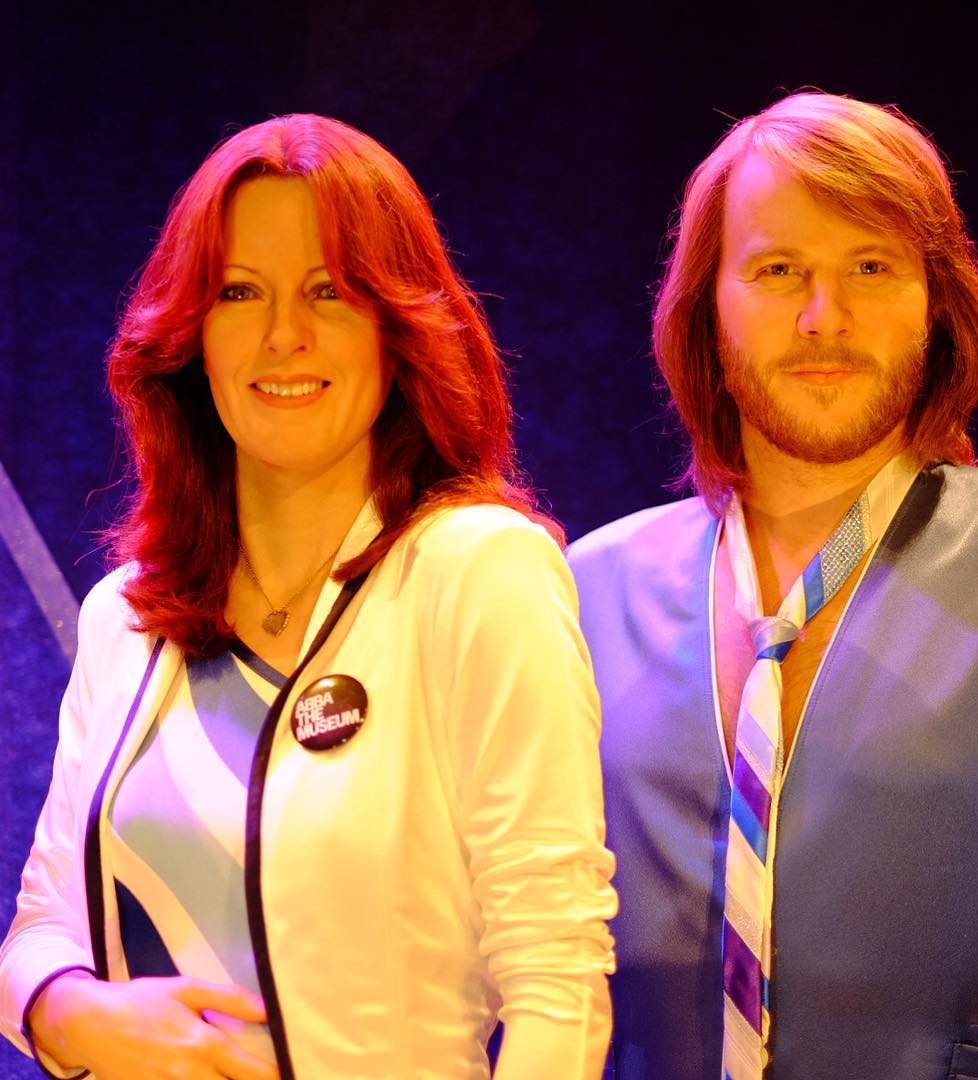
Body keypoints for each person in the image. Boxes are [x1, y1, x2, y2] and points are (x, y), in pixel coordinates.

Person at [0, 114, 617, 1080]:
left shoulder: (478, 571)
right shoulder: (125, 614)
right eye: (239, 292)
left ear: (398, 328)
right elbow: (42, 926)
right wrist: (71, 1015)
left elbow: (558, 984)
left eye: (329, 291)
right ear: (192, 336)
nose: (283, 335)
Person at [568, 91, 978, 1079]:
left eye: (871, 268)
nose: (824, 318)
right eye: (777, 270)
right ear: (706, 306)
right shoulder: (582, 592)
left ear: (939, 302)